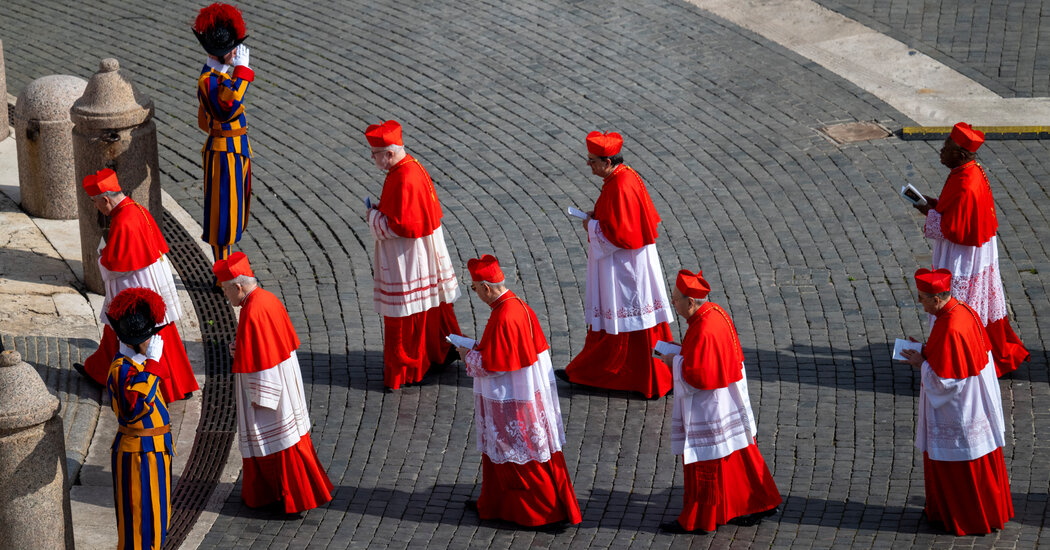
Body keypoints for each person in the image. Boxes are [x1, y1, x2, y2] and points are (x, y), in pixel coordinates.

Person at [455, 255, 582, 530]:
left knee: (519, 451)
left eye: (475, 288)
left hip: (512, 398)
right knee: (503, 449)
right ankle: (494, 503)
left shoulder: (504, 316)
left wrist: (467, 355)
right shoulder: (516, 306)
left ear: (487, 287)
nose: (475, 293)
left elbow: (494, 365)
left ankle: (543, 512)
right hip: (518, 390)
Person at [657, 269, 780, 534]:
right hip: (727, 396)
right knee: (739, 451)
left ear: (691, 302)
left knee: (708, 461)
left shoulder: (704, 329)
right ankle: (760, 501)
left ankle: (700, 519)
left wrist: (672, 361)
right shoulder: (715, 312)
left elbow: (696, 376)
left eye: (676, 299)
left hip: (709, 405)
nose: (673, 303)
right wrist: (683, 352)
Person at [215, 252, 333, 513]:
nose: (225, 296)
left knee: (277, 442)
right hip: (286, 380)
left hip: (272, 394)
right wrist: (241, 349)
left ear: (238, 286)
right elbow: (263, 347)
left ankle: (286, 497)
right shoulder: (266, 299)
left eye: (225, 290)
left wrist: (260, 401)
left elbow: (262, 365)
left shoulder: (252, 311)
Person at [560, 131, 675, 398]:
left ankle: (639, 376)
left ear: (608, 161)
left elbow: (620, 236)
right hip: (629, 264)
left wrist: (591, 225)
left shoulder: (621, 185)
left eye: (592, 161)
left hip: (625, 269)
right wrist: (597, 214)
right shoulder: (624, 175)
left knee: (631, 320)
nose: (588, 165)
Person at [900, 268, 1012, 535]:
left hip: (958, 409)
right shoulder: (961, 309)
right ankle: (989, 513)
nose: (921, 303)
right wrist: (926, 350)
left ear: (937, 299)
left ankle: (965, 518)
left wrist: (920, 363)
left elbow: (945, 382)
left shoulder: (950, 327)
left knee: (960, 464)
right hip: (976, 401)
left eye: (923, 298)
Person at [913, 122, 1028, 376]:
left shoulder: (967, 182)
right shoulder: (967, 170)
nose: (941, 151)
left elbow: (955, 229)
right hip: (969, 249)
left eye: (947, 147)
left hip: (962, 255)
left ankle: (957, 355)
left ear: (961, 154)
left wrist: (927, 213)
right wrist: (935, 205)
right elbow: (955, 212)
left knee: (955, 302)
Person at [75, 169, 199, 403]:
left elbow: (114, 265)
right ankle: (100, 372)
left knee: (136, 331)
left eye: (95, 202)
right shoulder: (137, 209)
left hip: (134, 287)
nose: (95, 207)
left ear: (105, 200)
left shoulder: (124, 221)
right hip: (149, 280)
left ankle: (168, 387)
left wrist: (101, 257)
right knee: (132, 331)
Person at [364, 119, 461, 390]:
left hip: (408, 257)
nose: (373, 159)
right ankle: (437, 353)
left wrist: (372, 215)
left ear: (390, 153)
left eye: (375, 154)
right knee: (428, 307)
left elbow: (401, 225)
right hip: (422, 249)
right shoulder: (411, 166)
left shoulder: (404, 176)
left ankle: (409, 368)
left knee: (408, 310)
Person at [105, 287, 173, 549]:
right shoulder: (120, 369)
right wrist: (153, 363)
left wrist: (150, 364)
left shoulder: (137, 364)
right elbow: (134, 410)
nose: (153, 340)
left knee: (157, 523)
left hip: (154, 451)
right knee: (139, 528)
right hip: (138, 455)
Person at [194, 2, 254, 264]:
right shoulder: (209, 81)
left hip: (234, 150)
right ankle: (221, 273)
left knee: (235, 211)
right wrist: (242, 72)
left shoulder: (215, 75)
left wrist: (232, 70)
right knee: (223, 217)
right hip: (224, 154)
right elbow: (228, 108)